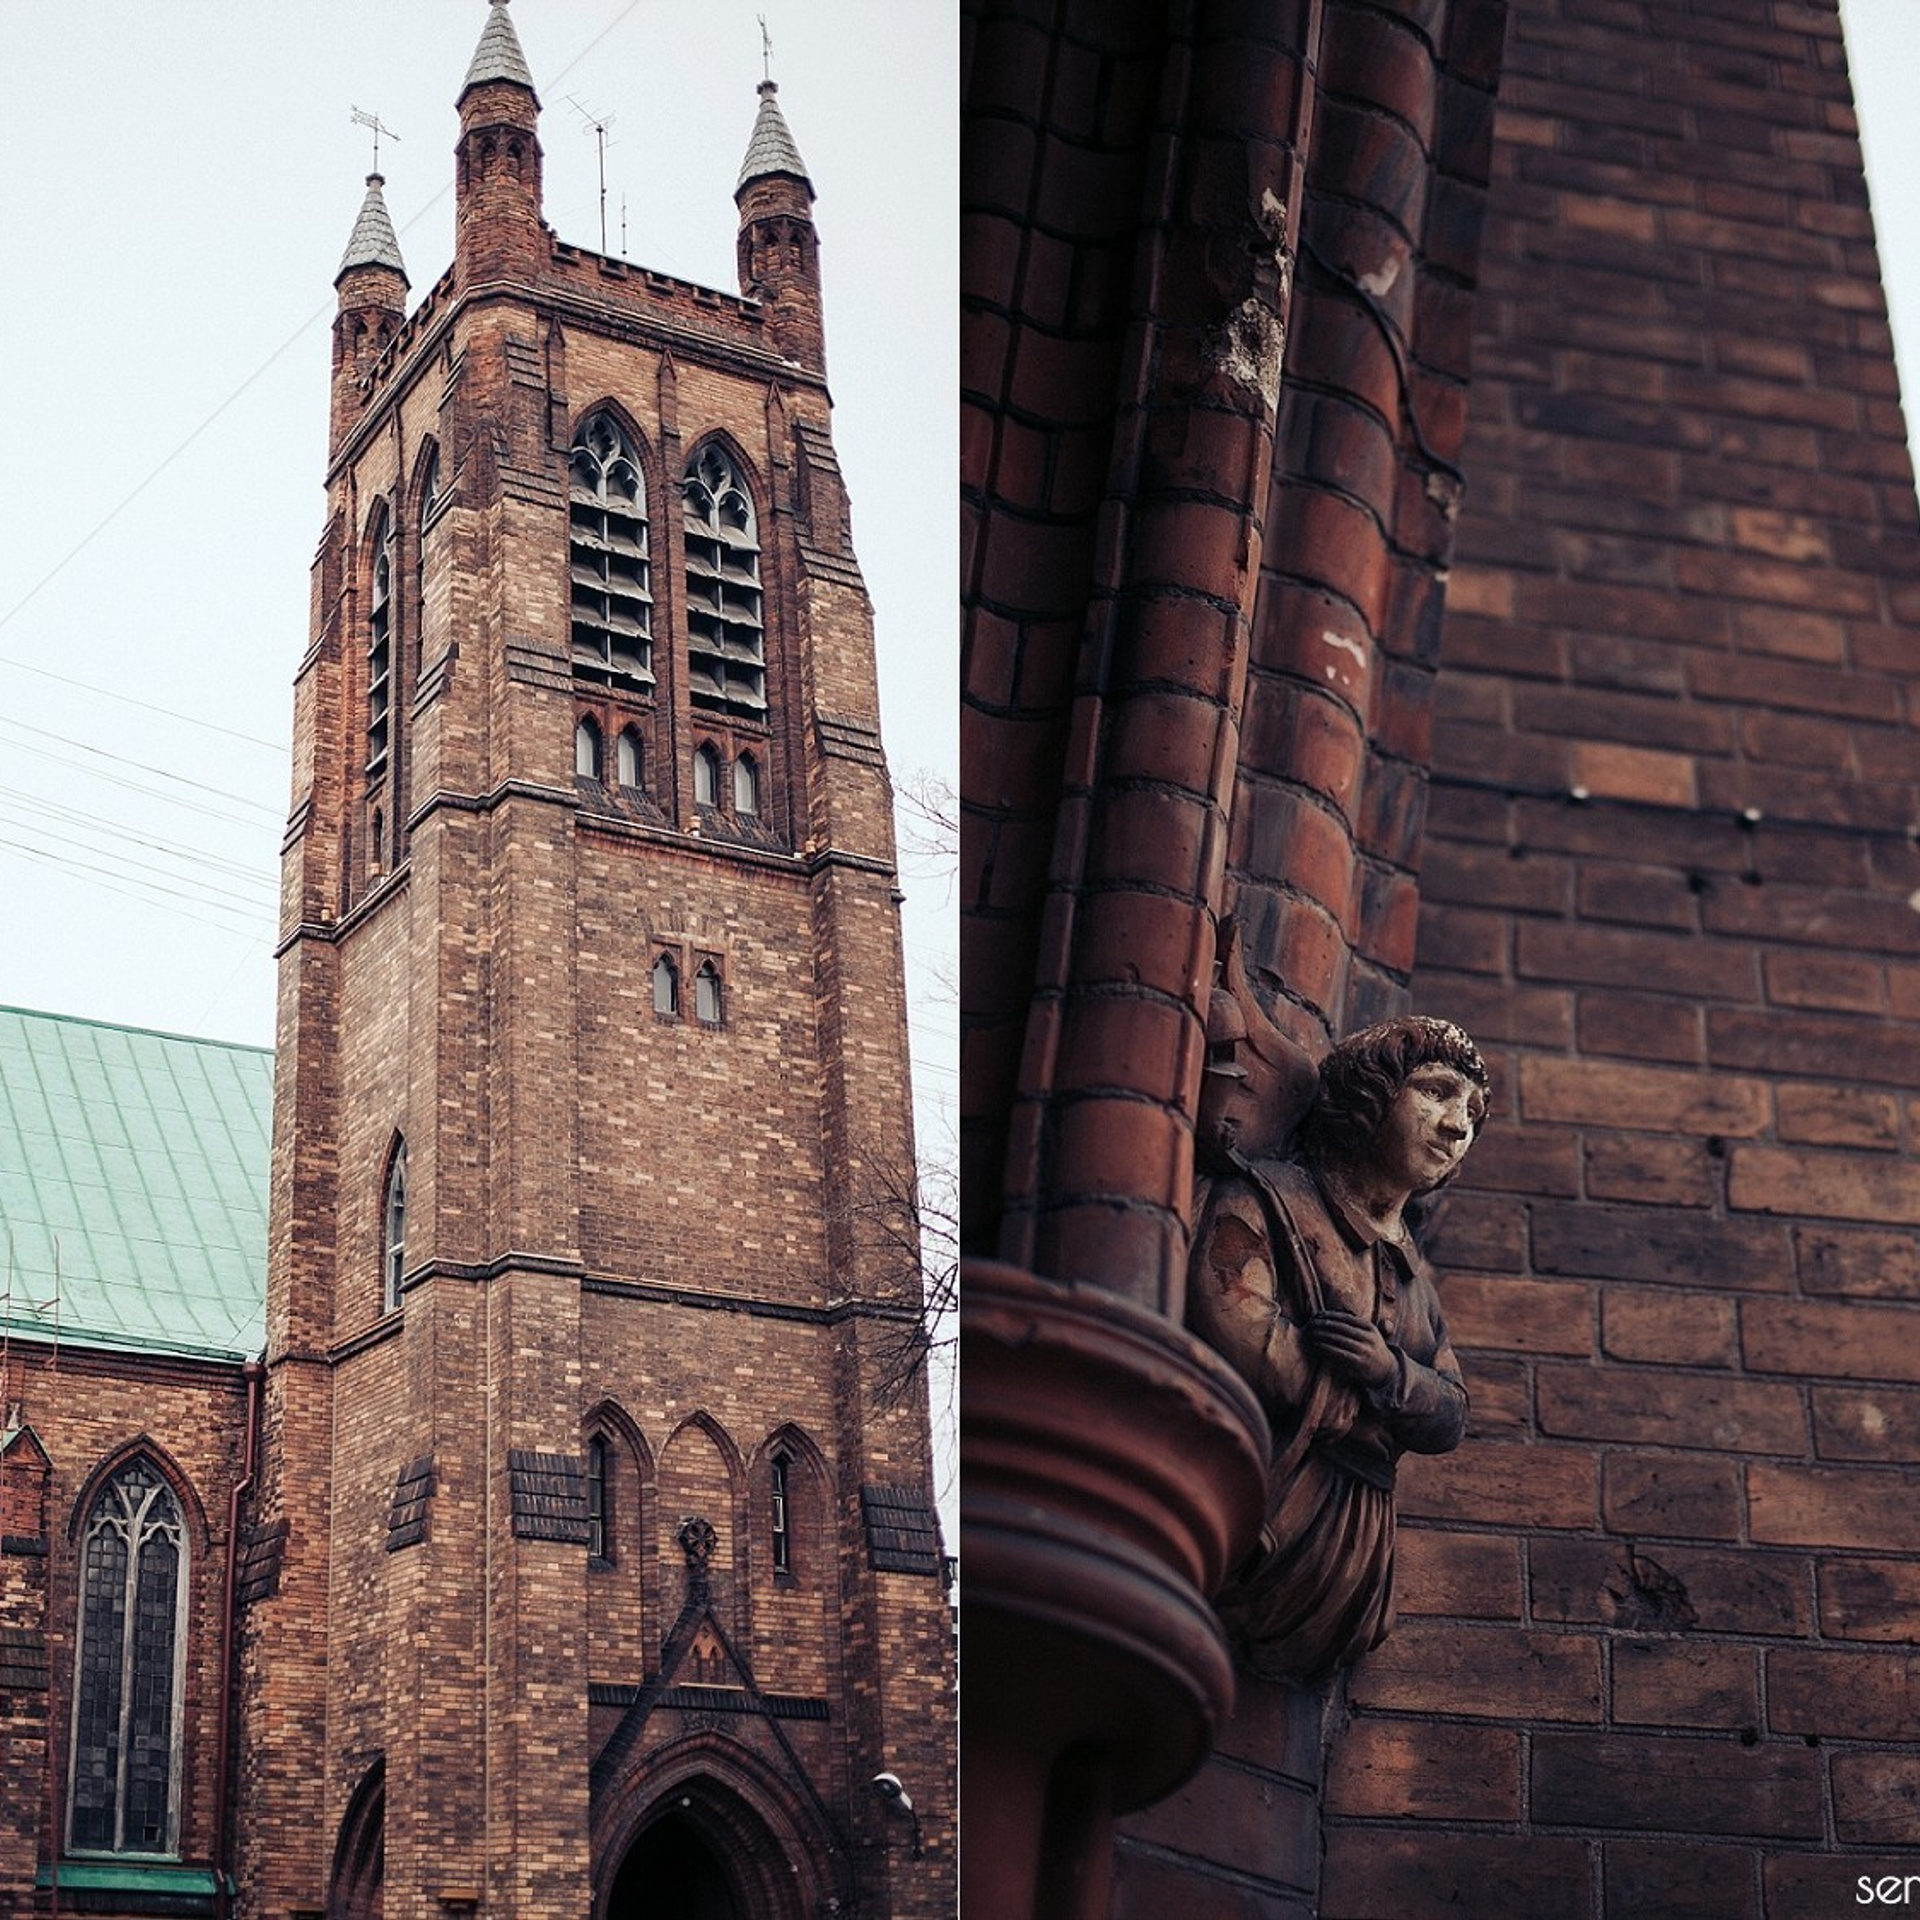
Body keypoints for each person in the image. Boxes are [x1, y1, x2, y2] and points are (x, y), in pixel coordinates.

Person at [1188, 1000, 1486, 1682]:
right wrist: (1354, 1408)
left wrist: (1388, 1373)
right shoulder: (1270, 1200)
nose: (1456, 1125)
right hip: (1270, 1504)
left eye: (1472, 1110)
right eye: (1436, 1092)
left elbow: (1453, 1409)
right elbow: (1239, 1322)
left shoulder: (1416, 1279)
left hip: (1356, 1545)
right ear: (1371, 1096)